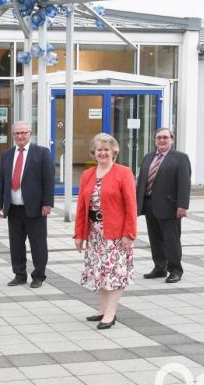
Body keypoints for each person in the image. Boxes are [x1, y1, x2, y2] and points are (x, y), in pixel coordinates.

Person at [74, 133, 137, 330]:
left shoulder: (124, 172)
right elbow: (81, 207)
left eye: (106, 150)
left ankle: (111, 313)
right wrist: (79, 235)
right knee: (99, 272)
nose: (102, 153)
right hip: (95, 234)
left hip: (116, 234)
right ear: (94, 153)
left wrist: (129, 233)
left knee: (114, 273)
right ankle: (102, 309)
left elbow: (131, 205)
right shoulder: (88, 175)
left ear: (114, 152)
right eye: (99, 149)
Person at [0, 121, 54, 288]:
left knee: (38, 244)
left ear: (30, 133)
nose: (20, 136)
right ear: (13, 136)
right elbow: (2, 181)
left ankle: (38, 276)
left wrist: (47, 203)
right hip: (13, 208)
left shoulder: (42, 153)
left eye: (23, 133)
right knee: (16, 244)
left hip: (35, 208)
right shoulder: (7, 154)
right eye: (16, 134)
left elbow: (48, 180)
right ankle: (19, 274)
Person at [136, 128, 191, 284]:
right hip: (149, 204)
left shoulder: (180, 158)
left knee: (171, 239)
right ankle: (160, 267)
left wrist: (182, 205)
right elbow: (141, 181)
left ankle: (175, 270)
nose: (162, 140)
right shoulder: (148, 157)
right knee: (155, 239)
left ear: (171, 140)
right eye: (159, 137)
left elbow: (184, 183)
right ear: (155, 140)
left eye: (165, 137)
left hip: (170, 206)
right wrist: (136, 202)